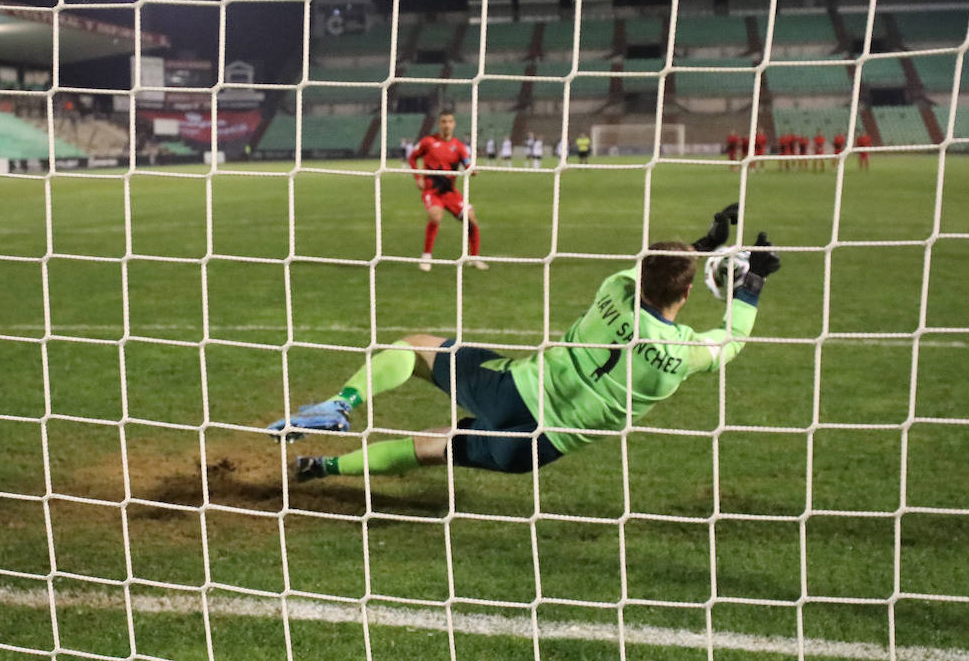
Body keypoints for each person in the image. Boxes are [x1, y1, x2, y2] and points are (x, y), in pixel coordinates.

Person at [270, 205, 781, 481]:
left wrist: (706, 244)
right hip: (537, 448)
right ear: (690, 293)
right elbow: (731, 340)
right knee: (436, 446)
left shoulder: (617, 290)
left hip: (515, 390)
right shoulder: (679, 359)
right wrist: (751, 284)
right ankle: (322, 468)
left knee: (415, 347)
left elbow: (654, 264)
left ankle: (342, 405)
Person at [408, 111, 487, 272]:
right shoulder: (428, 142)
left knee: (471, 219)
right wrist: (418, 178)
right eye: (443, 121)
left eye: (450, 121)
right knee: (436, 216)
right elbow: (412, 158)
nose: (447, 125)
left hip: (450, 192)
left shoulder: (459, 146)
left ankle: (474, 257)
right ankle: (426, 256)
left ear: (454, 124)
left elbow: (467, 164)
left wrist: (472, 170)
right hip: (432, 191)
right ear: (439, 124)